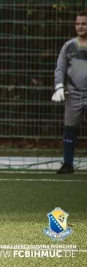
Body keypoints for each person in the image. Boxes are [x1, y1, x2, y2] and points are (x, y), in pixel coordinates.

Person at [51, 10, 87, 174]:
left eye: (84, 23)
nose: (80, 26)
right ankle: (68, 164)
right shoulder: (69, 46)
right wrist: (59, 87)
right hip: (73, 94)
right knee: (69, 128)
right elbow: (60, 68)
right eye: (78, 23)